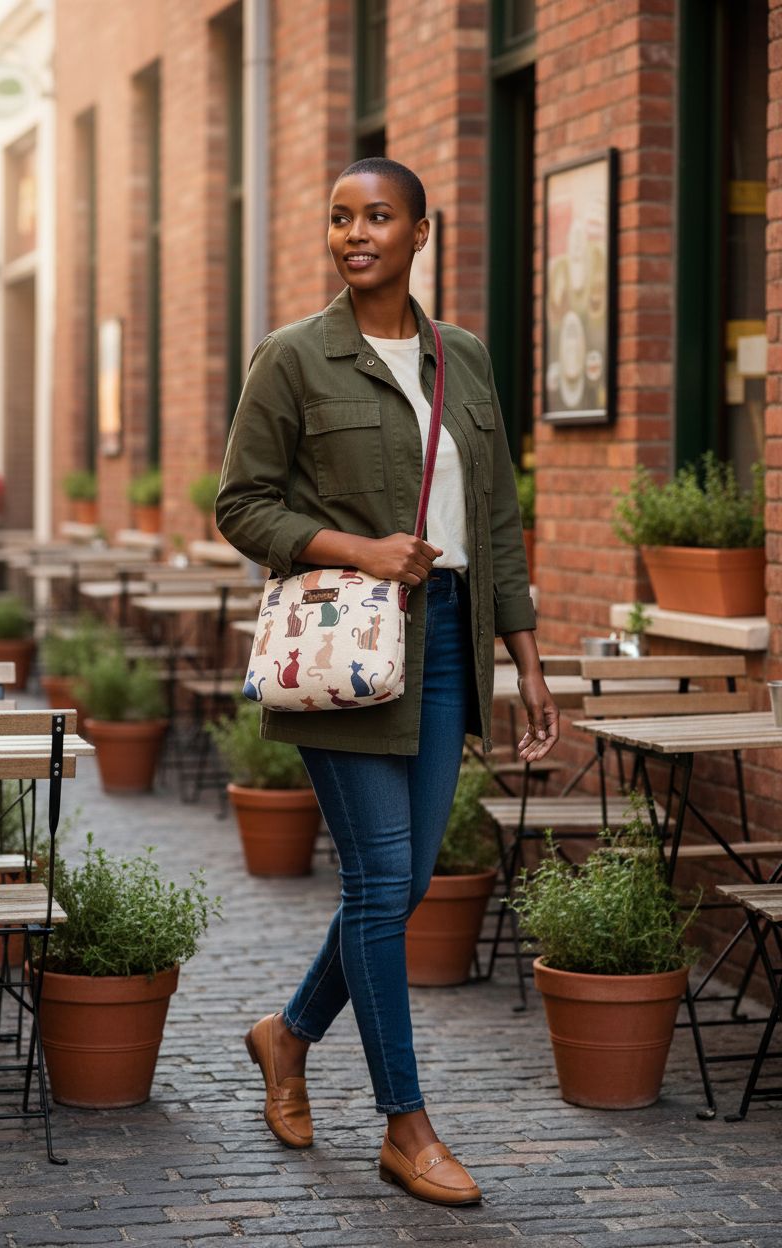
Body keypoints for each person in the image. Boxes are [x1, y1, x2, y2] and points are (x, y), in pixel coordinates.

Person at [216, 157, 559, 1206]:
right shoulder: (292, 358)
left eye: (377, 216)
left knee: (403, 882)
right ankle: (406, 1126)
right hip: (348, 646)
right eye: (339, 217)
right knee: (378, 882)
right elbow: (242, 506)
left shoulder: (463, 359)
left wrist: (527, 658)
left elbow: (495, 519)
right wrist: (356, 549)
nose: (354, 232)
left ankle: (287, 1033)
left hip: (448, 637)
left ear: (421, 232)